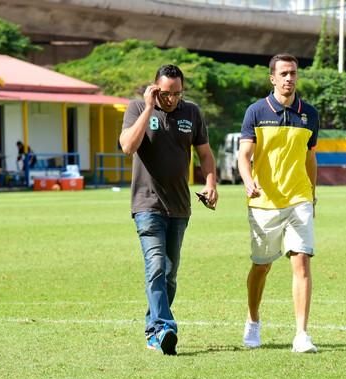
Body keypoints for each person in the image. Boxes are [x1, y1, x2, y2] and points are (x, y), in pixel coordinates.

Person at [119, 64, 218, 355]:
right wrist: (150, 108)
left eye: (177, 93)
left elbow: (205, 153)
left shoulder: (192, 113)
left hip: (179, 207)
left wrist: (211, 183)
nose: (171, 99)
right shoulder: (137, 108)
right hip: (147, 205)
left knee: (170, 274)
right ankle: (165, 327)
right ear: (154, 88)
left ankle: (154, 330)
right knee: (156, 266)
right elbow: (127, 146)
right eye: (165, 93)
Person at [238, 53, 320, 353]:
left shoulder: (309, 114)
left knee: (301, 260)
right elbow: (243, 154)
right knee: (261, 266)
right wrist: (248, 180)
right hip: (264, 203)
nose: (289, 78)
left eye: (293, 73)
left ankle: (301, 334)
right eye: (284, 73)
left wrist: (312, 194)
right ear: (272, 78)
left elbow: (311, 157)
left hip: (299, 199)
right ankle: (253, 320)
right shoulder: (256, 112)